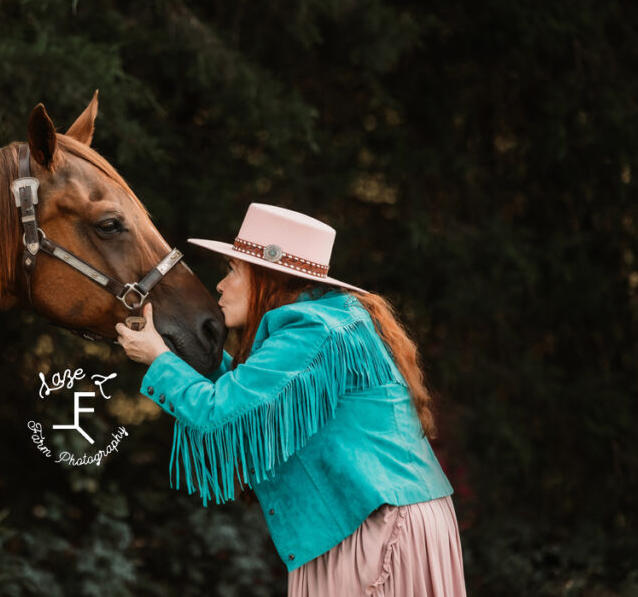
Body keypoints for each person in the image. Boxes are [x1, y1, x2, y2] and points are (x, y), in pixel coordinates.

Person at [116, 203, 466, 597]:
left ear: (268, 276)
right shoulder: (328, 320)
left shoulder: (311, 329)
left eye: (233, 271)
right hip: (385, 518)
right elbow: (248, 396)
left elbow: (219, 413)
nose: (220, 285)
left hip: (374, 528)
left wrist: (157, 358)